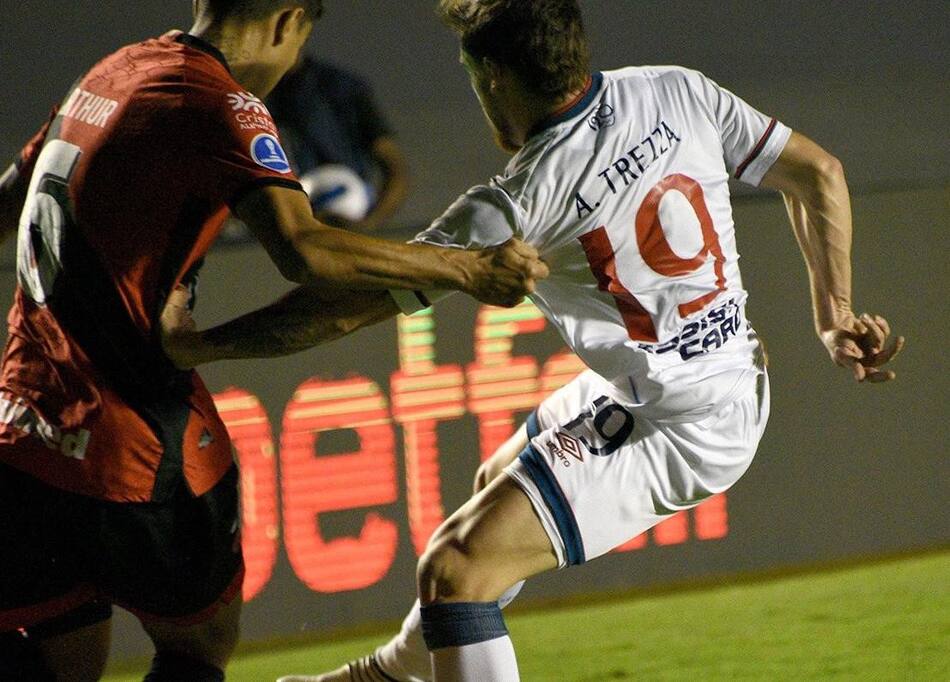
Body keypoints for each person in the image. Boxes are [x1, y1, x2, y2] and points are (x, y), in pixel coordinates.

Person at [161, 1, 905, 680]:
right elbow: (819, 173)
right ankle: (386, 674)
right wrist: (834, 315)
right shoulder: (678, 90)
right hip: (709, 379)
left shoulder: (516, 200)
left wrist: (206, 345)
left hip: (681, 423)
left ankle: (386, 676)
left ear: (494, 77)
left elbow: (342, 309)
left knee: (457, 572)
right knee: (495, 483)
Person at [0, 0, 546, 679]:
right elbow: (305, 248)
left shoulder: (110, 72)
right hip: (129, 442)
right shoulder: (221, 101)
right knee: (199, 643)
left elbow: (9, 204)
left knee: (64, 653)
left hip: (23, 431)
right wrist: (467, 266)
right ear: (290, 20)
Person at [266, 55, 409, 230]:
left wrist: (368, 223)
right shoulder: (254, 94)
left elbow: (395, 169)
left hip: (349, 215)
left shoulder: (343, 88)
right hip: (298, 224)